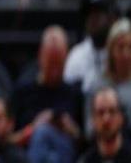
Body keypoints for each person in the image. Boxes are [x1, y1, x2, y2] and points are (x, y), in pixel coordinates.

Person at [12, 25, 82, 163]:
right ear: (40, 56)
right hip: (30, 153)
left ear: (66, 59)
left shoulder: (74, 93)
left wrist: (70, 128)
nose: (55, 71)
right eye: (51, 63)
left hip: (65, 152)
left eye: (59, 63)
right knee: (42, 134)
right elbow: (9, 141)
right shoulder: (23, 91)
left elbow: (87, 142)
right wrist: (33, 128)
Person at [64, 0, 117, 92]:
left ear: (111, 18)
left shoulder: (124, 52)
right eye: (89, 14)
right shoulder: (76, 56)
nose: (92, 19)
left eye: (98, 14)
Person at [78, 87, 131, 163]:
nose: (106, 119)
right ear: (93, 119)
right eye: (100, 112)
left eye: (112, 111)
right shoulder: (84, 160)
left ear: (121, 117)